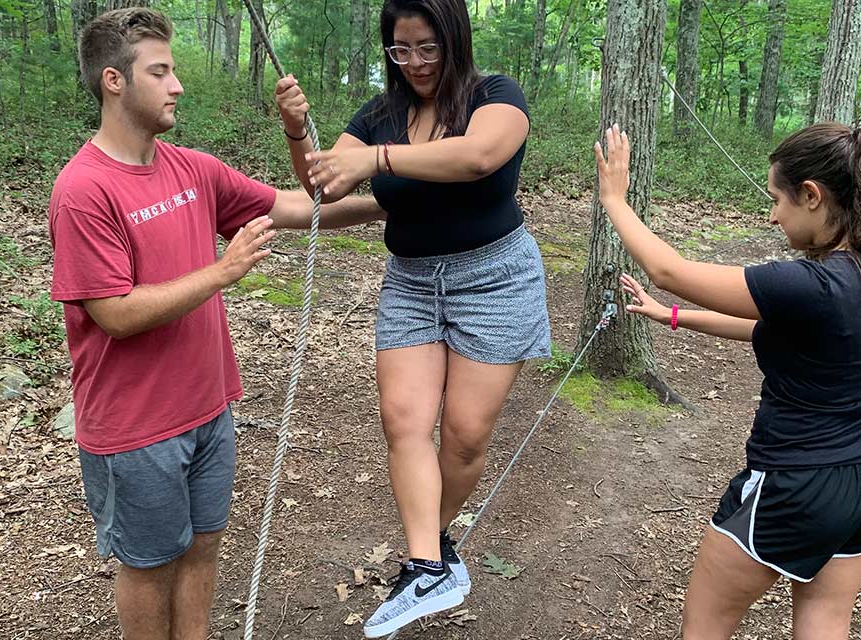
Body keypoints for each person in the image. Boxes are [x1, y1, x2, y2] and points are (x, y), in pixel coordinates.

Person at [48, 8, 383, 639]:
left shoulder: (192, 169)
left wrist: (401, 202)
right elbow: (114, 313)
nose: (176, 85)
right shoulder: (84, 189)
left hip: (208, 410)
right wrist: (220, 272)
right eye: (161, 71)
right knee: (148, 566)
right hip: (134, 427)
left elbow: (300, 205)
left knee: (202, 551)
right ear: (114, 81)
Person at [274, 0, 551, 635]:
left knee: (463, 435)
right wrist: (298, 131)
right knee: (404, 420)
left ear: (452, 39)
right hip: (412, 281)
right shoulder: (379, 113)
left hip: (496, 277)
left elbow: (478, 157)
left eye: (427, 47)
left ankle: (436, 545)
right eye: (401, 50)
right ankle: (426, 565)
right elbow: (324, 185)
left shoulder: (495, 95)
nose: (416, 63)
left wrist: (379, 159)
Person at [595, 122, 861, 639]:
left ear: (811, 196)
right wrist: (674, 318)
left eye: (777, 199)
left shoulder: (808, 283)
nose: (771, 214)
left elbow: (670, 269)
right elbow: (772, 328)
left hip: (799, 485)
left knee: (704, 628)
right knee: (825, 620)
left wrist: (614, 198)